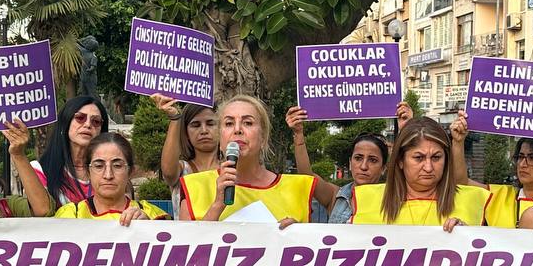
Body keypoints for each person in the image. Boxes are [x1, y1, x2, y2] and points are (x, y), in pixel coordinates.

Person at [178, 95, 315, 225]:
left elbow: (312, 241)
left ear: (263, 137)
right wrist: (217, 205)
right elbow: (185, 241)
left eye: (248, 123)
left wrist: (295, 233)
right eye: (229, 123)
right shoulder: (195, 187)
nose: (237, 129)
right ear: (220, 139)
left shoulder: (295, 190)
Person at [350, 117, 489, 229]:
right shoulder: (366, 199)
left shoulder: (472, 200)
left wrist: (468, 236)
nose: (428, 167)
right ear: (400, 161)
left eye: (436, 157)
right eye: (419, 158)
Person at [285, 102, 411, 223]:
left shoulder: (394, 200)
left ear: (383, 168)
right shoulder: (336, 196)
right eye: (358, 158)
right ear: (350, 163)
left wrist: (408, 129)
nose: (364, 166)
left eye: (373, 160)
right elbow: (307, 177)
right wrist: (298, 134)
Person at [150, 94, 219, 219]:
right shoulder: (183, 169)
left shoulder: (231, 168)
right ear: (186, 132)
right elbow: (168, 171)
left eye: (210, 123)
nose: (204, 130)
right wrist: (175, 118)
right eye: (196, 125)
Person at [55, 132, 148, 224]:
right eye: (99, 166)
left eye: (117, 165)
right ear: (88, 171)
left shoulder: (150, 214)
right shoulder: (70, 215)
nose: (108, 175)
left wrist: (149, 227)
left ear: (130, 171)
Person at [33, 95, 109, 205]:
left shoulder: (110, 172)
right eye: (80, 118)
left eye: (96, 121)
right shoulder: (40, 170)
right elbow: (40, 210)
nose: (88, 125)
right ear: (65, 123)